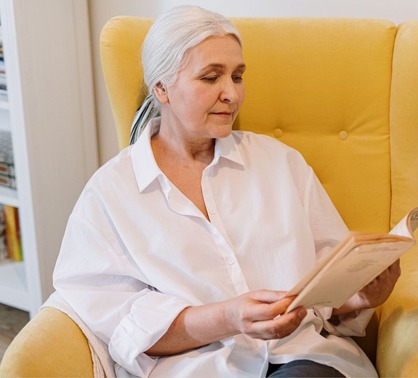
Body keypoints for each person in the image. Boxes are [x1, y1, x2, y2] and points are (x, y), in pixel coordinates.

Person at [52, 5, 400, 377]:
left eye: (237, 76)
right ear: (161, 88)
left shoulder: (280, 164)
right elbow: (122, 326)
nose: (231, 94)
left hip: (302, 359)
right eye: (210, 77)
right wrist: (229, 317)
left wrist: (363, 296)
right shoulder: (111, 194)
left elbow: (327, 282)